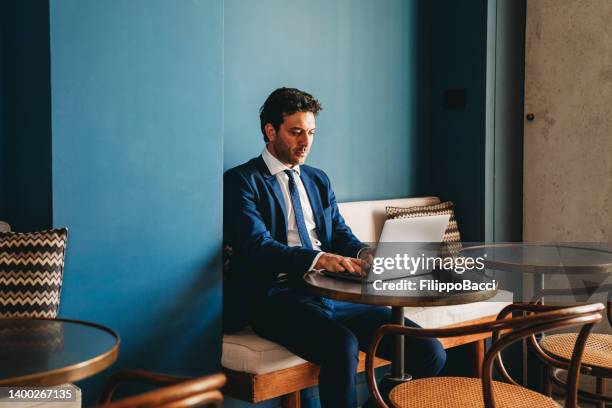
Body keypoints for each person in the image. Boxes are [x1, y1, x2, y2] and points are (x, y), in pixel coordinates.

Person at [223, 87, 446, 408]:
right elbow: (257, 247)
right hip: (276, 297)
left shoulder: (317, 179)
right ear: (270, 131)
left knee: (428, 351)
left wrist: (363, 253)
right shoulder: (242, 180)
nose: (306, 142)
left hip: (335, 294)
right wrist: (319, 259)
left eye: (311, 132)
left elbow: (341, 234)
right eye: (296, 132)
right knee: (342, 345)